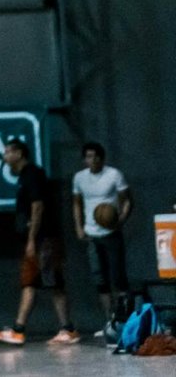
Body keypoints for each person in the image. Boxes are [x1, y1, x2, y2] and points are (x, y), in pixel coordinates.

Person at [0, 138, 78, 345]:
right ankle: (18, 330)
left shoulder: (32, 174)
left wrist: (32, 239)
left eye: (7, 152)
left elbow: (38, 206)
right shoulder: (25, 176)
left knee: (54, 282)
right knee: (29, 282)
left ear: (19, 154)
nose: (4, 157)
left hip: (44, 239)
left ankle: (68, 329)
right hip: (36, 239)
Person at [72, 141, 133, 339]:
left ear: (102, 157)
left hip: (111, 233)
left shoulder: (114, 175)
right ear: (84, 159)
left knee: (118, 277)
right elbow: (76, 203)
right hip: (92, 233)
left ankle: (125, 321)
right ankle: (110, 321)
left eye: (96, 156)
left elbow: (127, 200)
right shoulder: (79, 178)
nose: (93, 160)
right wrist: (79, 226)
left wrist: (120, 220)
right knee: (100, 279)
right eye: (89, 156)